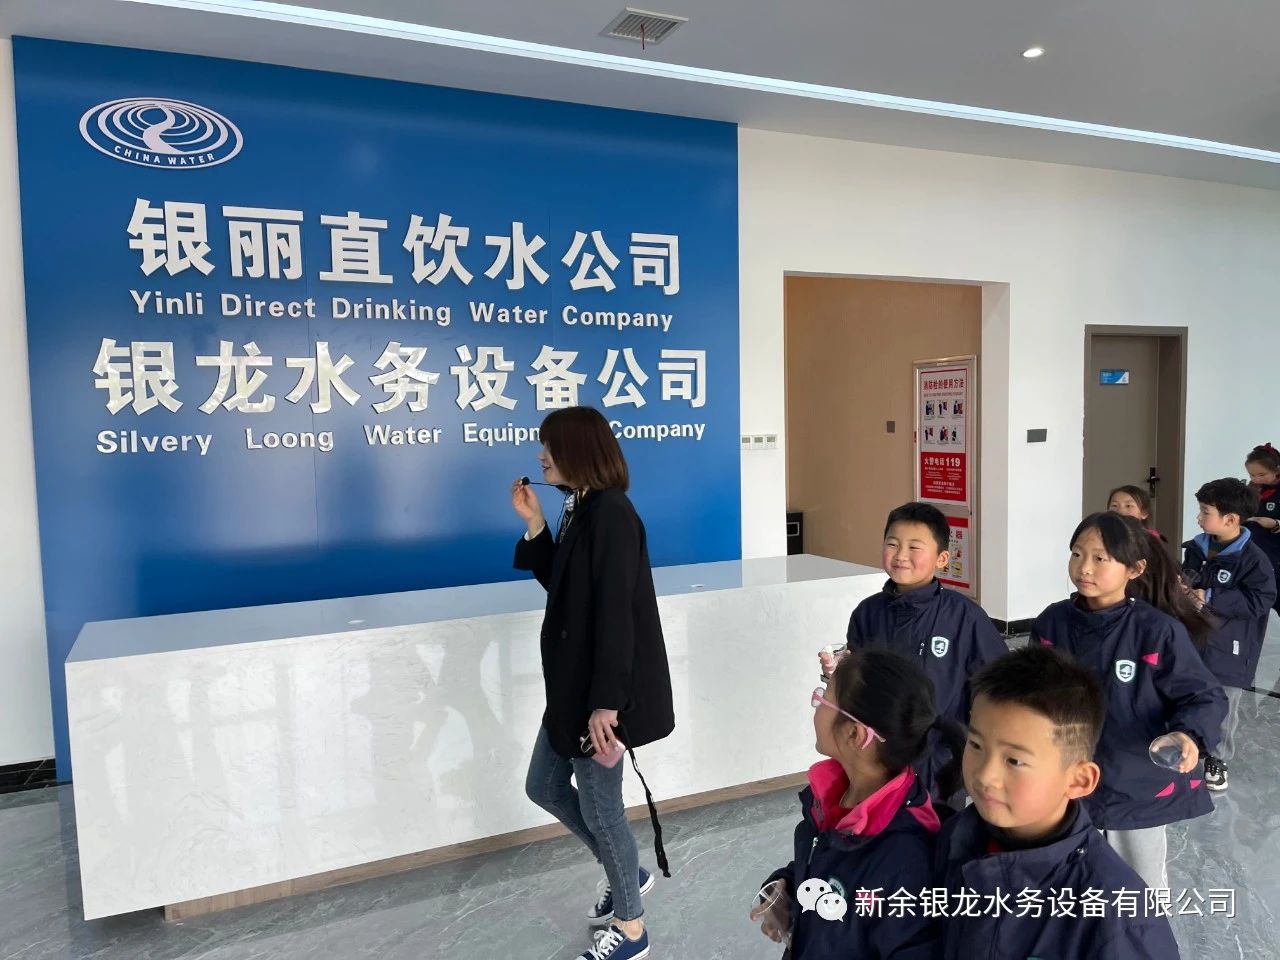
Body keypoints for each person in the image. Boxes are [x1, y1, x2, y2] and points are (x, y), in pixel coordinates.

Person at [511, 406, 674, 960]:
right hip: (573, 689)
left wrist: (606, 703)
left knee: (604, 811)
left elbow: (616, 615)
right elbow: (565, 586)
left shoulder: (612, 514)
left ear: (578, 452)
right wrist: (535, 523)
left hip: (598, 699)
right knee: (544, 785)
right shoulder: (580, 505)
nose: (541, 457)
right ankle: (626, 872)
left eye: (550, 448)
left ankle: (632, 929)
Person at [935, 645, 1180, 959]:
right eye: (976, 745)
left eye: (1014, 760)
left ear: (1078, 780)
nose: (985, 775)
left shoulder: (1117, 917)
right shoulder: (956, 837)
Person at [1032, 512, 1226, 889]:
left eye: (1100, 558)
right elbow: (1029, 691)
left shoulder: (1157, 631)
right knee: (1070, 881)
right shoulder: (1052, 623)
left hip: (1136, 786)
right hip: (1066, 778)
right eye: (1076, 554)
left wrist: (1188, 735)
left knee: (1140, 888)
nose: (1084, 567)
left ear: (1134, 569)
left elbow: (1202, 696)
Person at [753, 649, 957, 958]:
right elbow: (827, 868)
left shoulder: (904, 858)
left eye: (823, 697)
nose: (816, 704)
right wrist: (787, 888)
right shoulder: (838, 798)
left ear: (855, 734)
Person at [821, 502, 1007, 806]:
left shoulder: (965, 617)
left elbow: (999, 685)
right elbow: (858, 681)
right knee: (878, 823)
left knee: (936, 827)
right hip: (877, 755)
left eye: (914, 547)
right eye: (892, 544)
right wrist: (837, 673)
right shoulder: (868, 613)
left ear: (942, 559)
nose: (901, 555)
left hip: (940, 760)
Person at [1181, 478, 1277, 791]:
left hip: (1230, 648)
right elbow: (1188, 578)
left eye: (1205, 512)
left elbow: (1261, 599)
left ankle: (1218, 758)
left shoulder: (1253, 560)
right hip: (1193, 639)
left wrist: (1211, 597)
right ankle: (1190, 747)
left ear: (1231, 519)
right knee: (1188, 695)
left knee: (1223, 705)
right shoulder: (1196, 548)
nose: (1199, 518)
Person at [1244, 443, 1280, 618]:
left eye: (1262, 475)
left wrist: (1275, 523)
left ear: (1277, 469)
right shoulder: (1251, 489)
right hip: (1255, 550)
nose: (1256, 479)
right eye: (1252, 475)